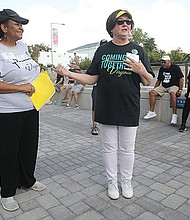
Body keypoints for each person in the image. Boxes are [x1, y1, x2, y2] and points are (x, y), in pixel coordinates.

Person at [55, 9, 154, 200]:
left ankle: (126, 181)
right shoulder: (103, 50)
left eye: (128, 22)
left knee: (127, 149)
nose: (125, 25)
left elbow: (148, 81)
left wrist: (141, 69)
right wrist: (69, 74)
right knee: (109, 148)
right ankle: (112, 182)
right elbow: (92, 78)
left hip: (129, 106)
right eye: (120, 22)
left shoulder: (137, 50)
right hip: (106, 106)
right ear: (112, 27)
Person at [0, 9, 46, 212]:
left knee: (29, 147)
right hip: (7, 112)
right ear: (3, 27)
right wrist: (21, 88)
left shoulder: (23, 47)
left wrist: (44, 84)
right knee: (8, 152)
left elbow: (30, 71)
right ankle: (7, 192)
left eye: (21, 24)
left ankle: (28, 180)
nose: (21, 27)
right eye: (16, 23)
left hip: (31, 107)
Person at [144, 55, 184, 124]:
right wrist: (155, 89)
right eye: (162, 62)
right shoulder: (162, 69)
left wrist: (180, 89)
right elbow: (159, 80)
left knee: (172, 93)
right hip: (164, 86)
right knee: (152, 92)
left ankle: (174, 115)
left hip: (173, 85)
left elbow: (181, 79)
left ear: (169, 62)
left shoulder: (175, 67)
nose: (163, 64)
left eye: (164, 62)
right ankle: (151, 111)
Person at [91, 39, 108, 135]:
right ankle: (94, 126)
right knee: (95, 108)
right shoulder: (97, 57)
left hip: (108, 88)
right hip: (97, 87)